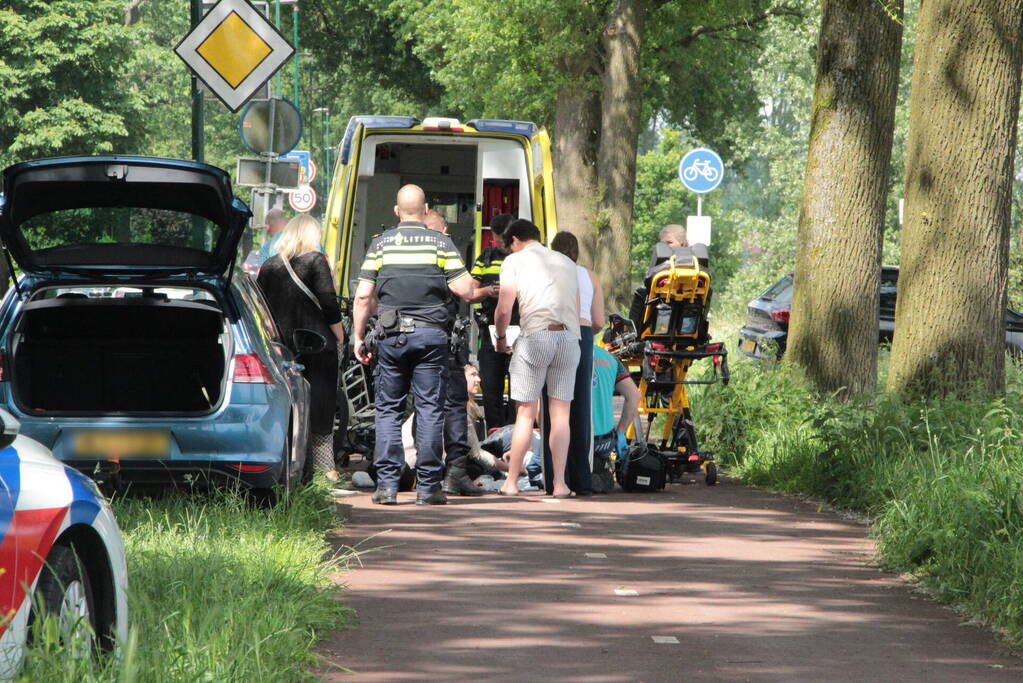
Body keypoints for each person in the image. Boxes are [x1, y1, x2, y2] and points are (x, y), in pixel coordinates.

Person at [352, 185, 474, 506]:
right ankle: (429, 487)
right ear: (425, 210)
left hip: (390, 338)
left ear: (396, 211)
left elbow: (364, 295)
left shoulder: (381, 245)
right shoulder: (441, 243)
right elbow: (465, 290)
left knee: (389, 411)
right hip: (431, 338)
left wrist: (357, 336)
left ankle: (388, 486)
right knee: (430, 409)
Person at [493, 219, 580, 497]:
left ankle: (510, 484)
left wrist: (501, 337)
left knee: (526, 414)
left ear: (516, 240)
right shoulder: (566, 262)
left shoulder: (515, 262)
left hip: (536, 337)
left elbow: (504, 309)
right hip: (568, 339)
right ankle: (559, 485)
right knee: (560, 415)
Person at [256, 215, 345, 481]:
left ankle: (288, 465)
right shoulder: (315, 260)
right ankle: (322, 469)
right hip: (316, 345)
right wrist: (340, 335)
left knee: (286, 403)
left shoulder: (269, 266)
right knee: (320, 405)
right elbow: (328, 301)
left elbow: (261, 307)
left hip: (281, 347)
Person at [423, 209, 484, 497]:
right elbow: (467, 291)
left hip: (410, 341)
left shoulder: (401, 249)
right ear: (441, 230)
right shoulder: (444, 248)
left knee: (423, 408)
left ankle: (426, 476)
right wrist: (486, 291)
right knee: (454, 405)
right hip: (442, 340)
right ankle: (456, 473)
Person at [549, 232, 604, 496]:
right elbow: (599, 321)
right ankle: (583, 480)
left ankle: (555, 479)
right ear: (577, 252)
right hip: (583, 335)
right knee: (580, 409)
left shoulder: (549, 273)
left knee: (555, 408)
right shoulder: (590, 276)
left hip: (556, 334)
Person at [469, 213, 516, 431]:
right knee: (490, 389)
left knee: (519, 388)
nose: (499, 245)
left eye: (502, 240)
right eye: (496, 240)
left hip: (519, 329)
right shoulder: (485, 258)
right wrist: (487, 291)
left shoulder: (522, 258)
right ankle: (495, 434)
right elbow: (469, 292)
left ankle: (516, 432)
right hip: (489, 331)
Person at [590, 345, 641, 493]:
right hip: (604, 441)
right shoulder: (611, 359)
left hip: (575, 439)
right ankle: (599, 467)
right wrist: (620, 432)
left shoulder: (563, 352)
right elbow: (634, 396)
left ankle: (582, 474)